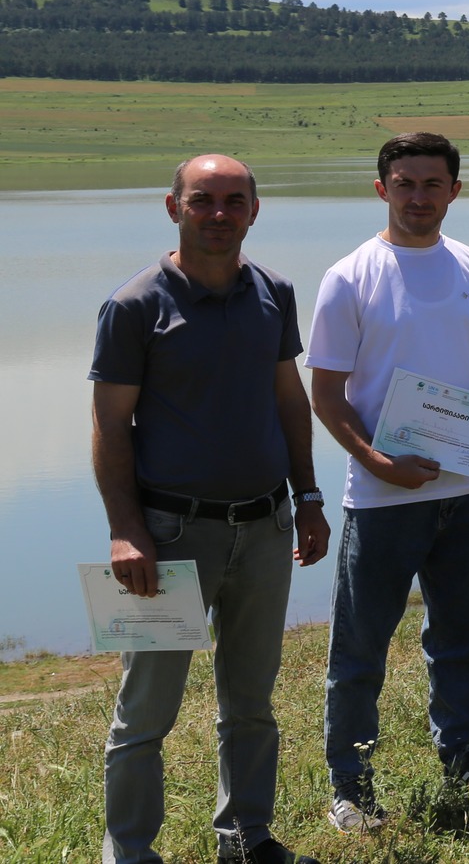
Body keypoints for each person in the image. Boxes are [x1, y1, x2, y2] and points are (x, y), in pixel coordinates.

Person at [307, 133, 469, 832]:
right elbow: (325, 395)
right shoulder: (349, 277)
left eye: (432, 184)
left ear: (454, 191)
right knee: (359, 651)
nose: (418, 196)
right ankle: (350, 786)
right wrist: (377, 462)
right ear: (382, 189)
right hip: (383, 500)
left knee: (459, 640)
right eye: (404, 182)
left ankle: (463, 756)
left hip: (467, 496)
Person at [90, 155, 329, 864]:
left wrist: (308, 497)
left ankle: (247, 838)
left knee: (251, 702)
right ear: (174, 207)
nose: (218, 213)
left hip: (265, 527)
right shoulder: (135, 305)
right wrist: (126, 529)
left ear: (255, 210)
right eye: (202, 200)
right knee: (145, 713)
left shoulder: (275, 292)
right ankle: (130, 852)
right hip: (169, 534)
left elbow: (289, 399)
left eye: (233, 200)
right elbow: (109, 425)